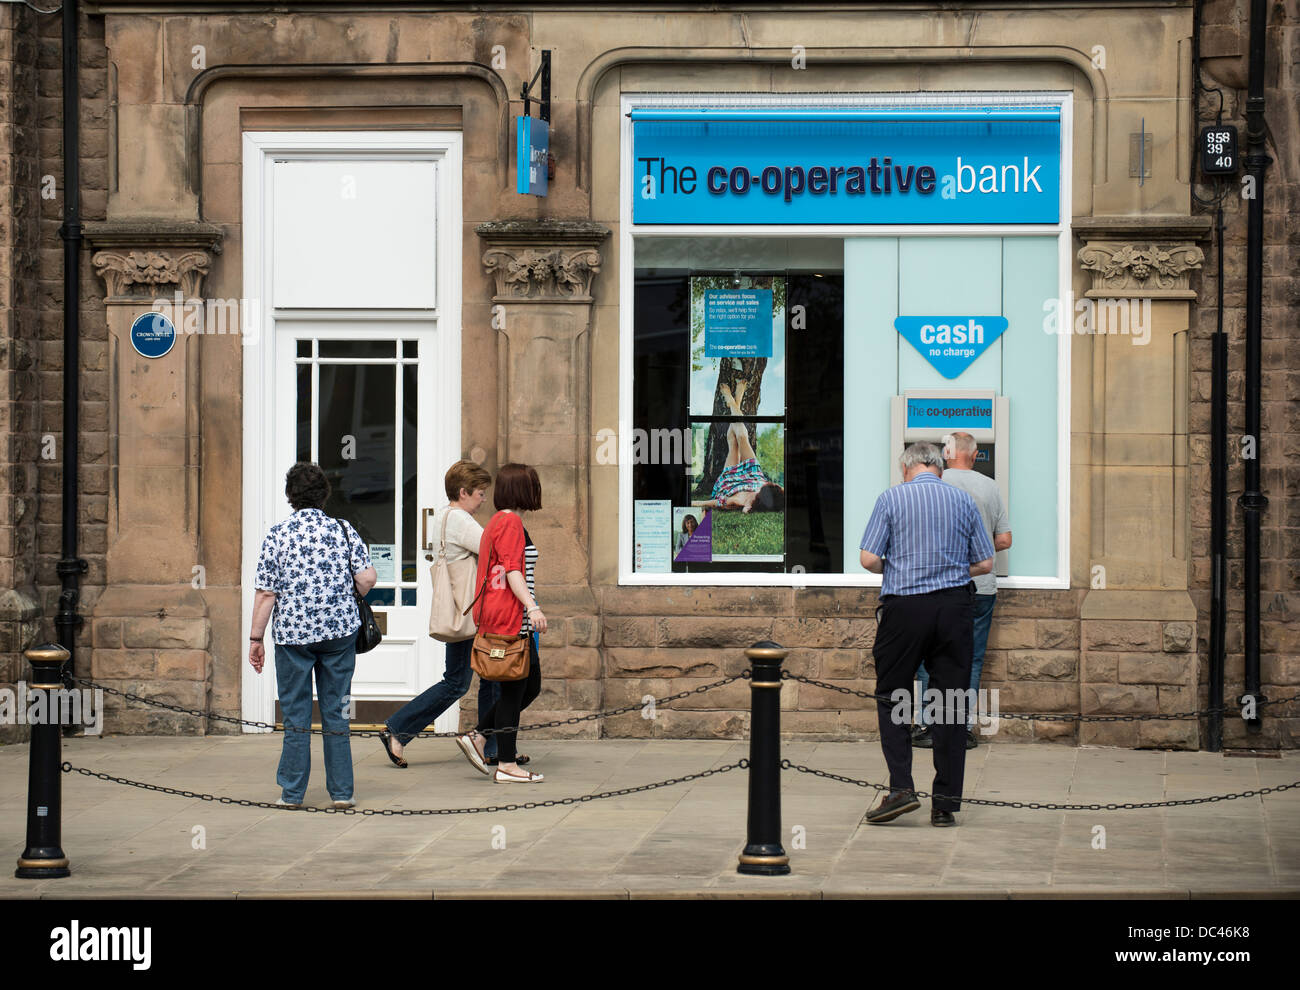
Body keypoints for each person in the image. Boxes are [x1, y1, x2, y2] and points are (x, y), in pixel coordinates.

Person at [859, 442, 994, 827]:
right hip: (954, 607)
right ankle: (945, 804)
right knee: (951, 701)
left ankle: (901, 788)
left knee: (893, 694)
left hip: (905, 609)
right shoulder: (964, 501)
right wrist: (948, 573)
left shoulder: (891, 499)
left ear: (907, 468)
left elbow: (868, 558)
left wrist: (901, 568)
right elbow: (985, 562)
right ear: (937, 467)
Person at [249, 462, 377, 809]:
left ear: (290, 496)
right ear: (324, 495)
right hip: (338, 632)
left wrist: (255, 639)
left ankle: (292, 794)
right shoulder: (342, 529)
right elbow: (367, 579)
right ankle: (342, 793)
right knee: (337, 711)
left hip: (293, 636)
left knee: (295, 715)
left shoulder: (278, 534)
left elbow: (266, 594)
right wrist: (343, 595)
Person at [378, 460, 492, 768]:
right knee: (476, 679)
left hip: (459, 611)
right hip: (470, 611)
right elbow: (493, 550)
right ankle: (491, 746)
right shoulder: (461, 520)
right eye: (480, 493)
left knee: (460, 680)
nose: (483, 500)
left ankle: (400, 731)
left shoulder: (443, 516)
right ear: (464, 492)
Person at [913, 432, 1013, 751]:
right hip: (981, 588)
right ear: (974, 454)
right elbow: (1004, 539)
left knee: (929, 655)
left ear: (947, 452)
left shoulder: (934, 483)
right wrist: (976, 553)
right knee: (971, 658)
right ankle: (963, 727)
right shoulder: (990, 486)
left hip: (936, 585)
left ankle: (930, 723)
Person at [456, 463, 546, 783]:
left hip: (508, 617)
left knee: (527, 685)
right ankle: (506, 764)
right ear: (522, 488)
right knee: (514, 690)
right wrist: (532, 608)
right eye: (533, 484)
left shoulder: (500, 521)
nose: (537, 490)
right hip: (512, 619)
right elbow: (513, 571)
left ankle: (480, 737)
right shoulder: (509, 522)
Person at [692, 380, 785, 513]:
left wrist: (692, 503)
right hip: (753, 477)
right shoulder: (766, 490)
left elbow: (713, 503)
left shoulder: (737, 502)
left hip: (730, 483)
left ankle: (733, 403)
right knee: (742, 438)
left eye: (759, 491)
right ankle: (734, 402)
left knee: (733, 443)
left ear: (757, 498)